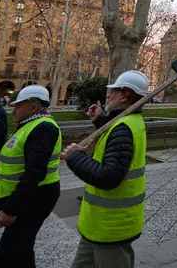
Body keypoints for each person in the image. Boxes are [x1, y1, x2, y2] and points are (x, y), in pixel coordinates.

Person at [62, 70, 148, 268]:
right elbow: (115, 144)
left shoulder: (124, 128)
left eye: (114, 91)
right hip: (97, 225)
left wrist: (75, 157)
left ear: (126, 95)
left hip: (112, 228)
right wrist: (100, 120)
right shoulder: (123, 123)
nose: (108, 95)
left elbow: (108, 177)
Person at [0, 85, 61, 268]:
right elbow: (8, 168)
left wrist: (11, 209)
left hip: (34, 200)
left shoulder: (43, 128)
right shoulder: (29, 125)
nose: (13, 110)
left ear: (33, 107)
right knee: (20, 250)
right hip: (25, 198)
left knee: (7, 254)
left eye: (18, 106)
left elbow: (34, 173)